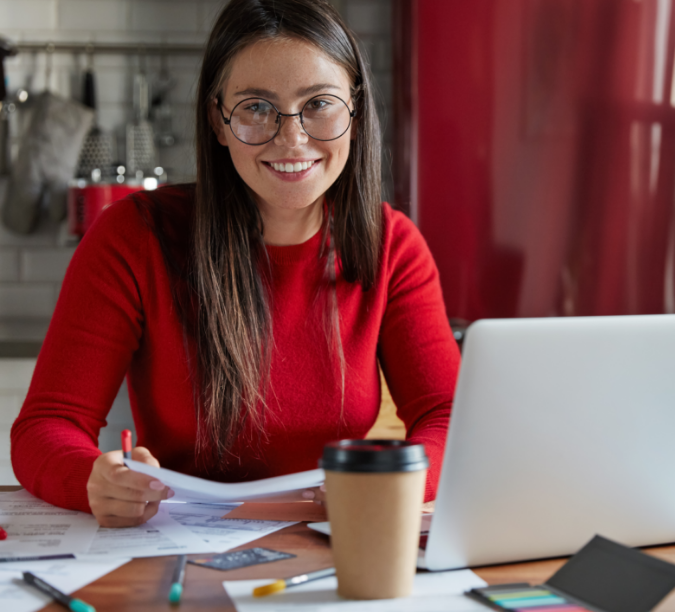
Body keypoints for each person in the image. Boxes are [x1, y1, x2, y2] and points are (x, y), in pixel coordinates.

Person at [10, 0, 460, 527]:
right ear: (217, 121)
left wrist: (387, 484)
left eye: (319, 103)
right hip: (176, 547)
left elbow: (447, 417)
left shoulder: (393, 246)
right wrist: (92, 479)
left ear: (355, 115)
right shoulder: (133, 237)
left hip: (338, 541)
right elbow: (47, 425)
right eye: (256, 107)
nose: (291, 138)